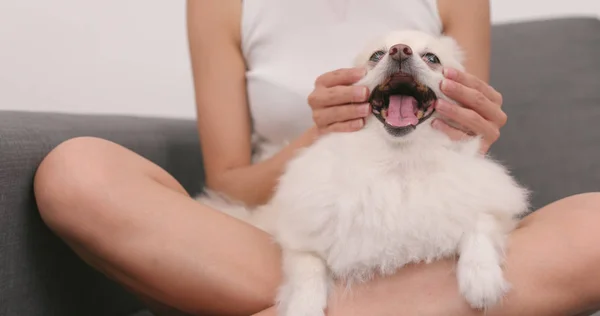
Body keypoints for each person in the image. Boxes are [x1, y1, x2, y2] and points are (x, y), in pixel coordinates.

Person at [33, 0, 600, 315]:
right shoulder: (219, 4)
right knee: (76, 172)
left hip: (434, 233)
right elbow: (229, 183)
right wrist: (323, 130)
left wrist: (478, 128)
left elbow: (460, 138)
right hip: (281, 240)